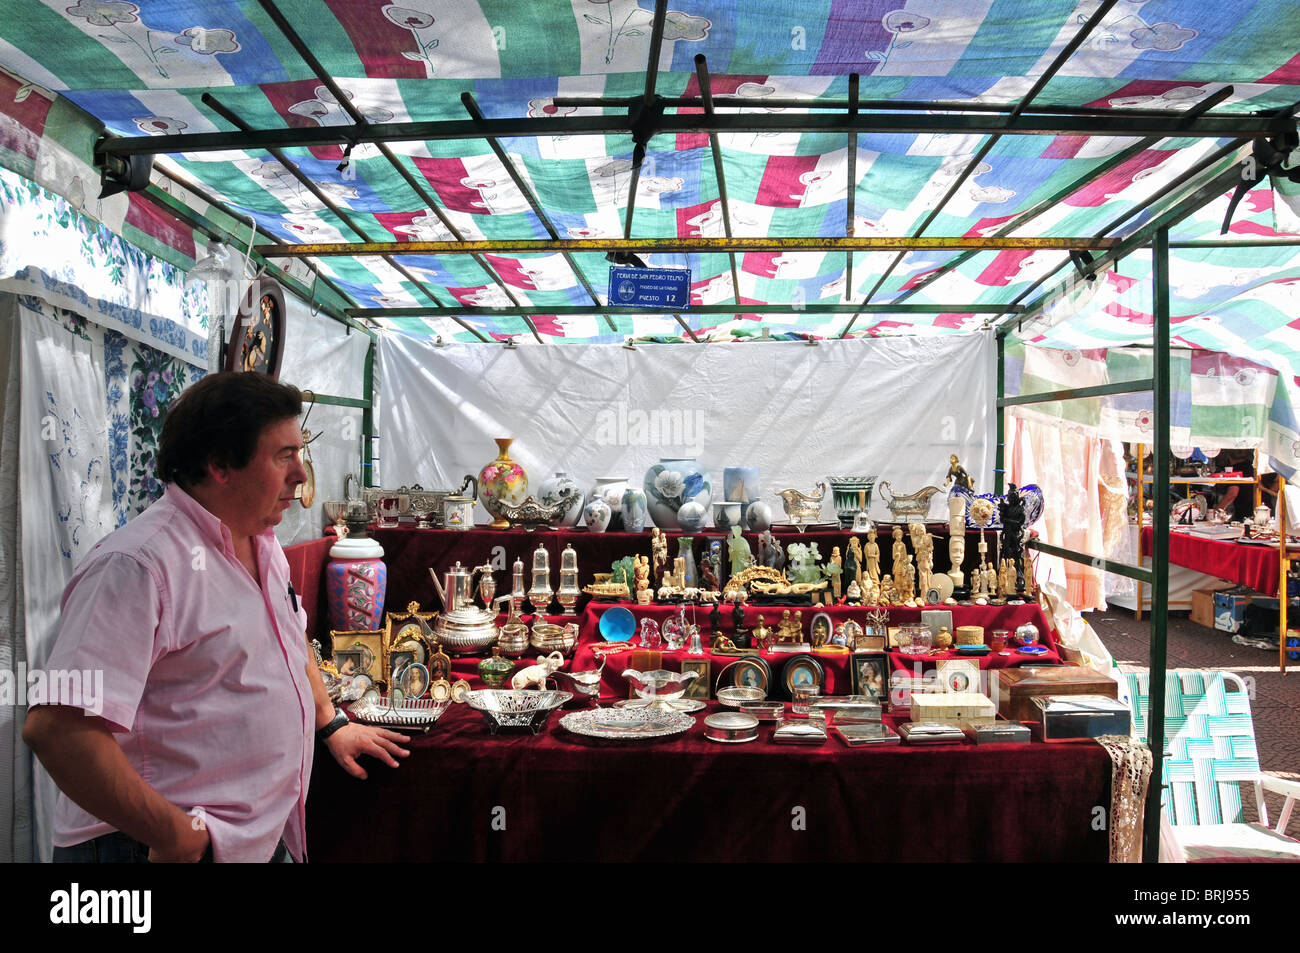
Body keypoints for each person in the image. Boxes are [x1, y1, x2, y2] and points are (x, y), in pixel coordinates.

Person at [22, 372, 410, 863]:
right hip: (149, 845)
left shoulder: (262, 543)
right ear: (221, 464)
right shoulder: (138, 566)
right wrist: (173, 835)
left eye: (300, 454)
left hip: (251, 838)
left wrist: (330, 724)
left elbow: (289, 641)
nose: (301, 475)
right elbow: (58, 728)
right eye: (283, 456)